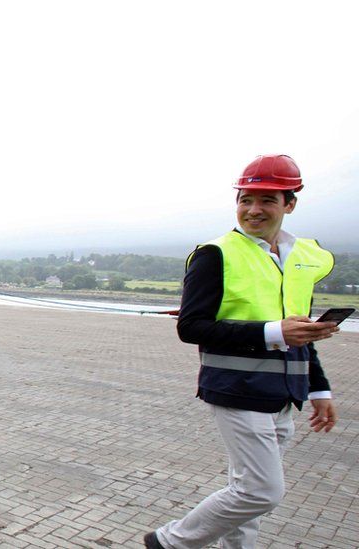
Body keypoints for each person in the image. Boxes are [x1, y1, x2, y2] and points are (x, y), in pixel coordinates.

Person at [145, 154, 341, 549]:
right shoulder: (215, 255)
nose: (253, 210)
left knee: (246, 495)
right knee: (261, 492)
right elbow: (191, 326)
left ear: (290, 204)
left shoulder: (300, 259)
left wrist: (319, 390)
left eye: (267, 200)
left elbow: (298, 331)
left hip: (285, 394)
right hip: (237, 388)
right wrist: (273, 331)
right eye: (246, 199)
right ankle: (169, 542)